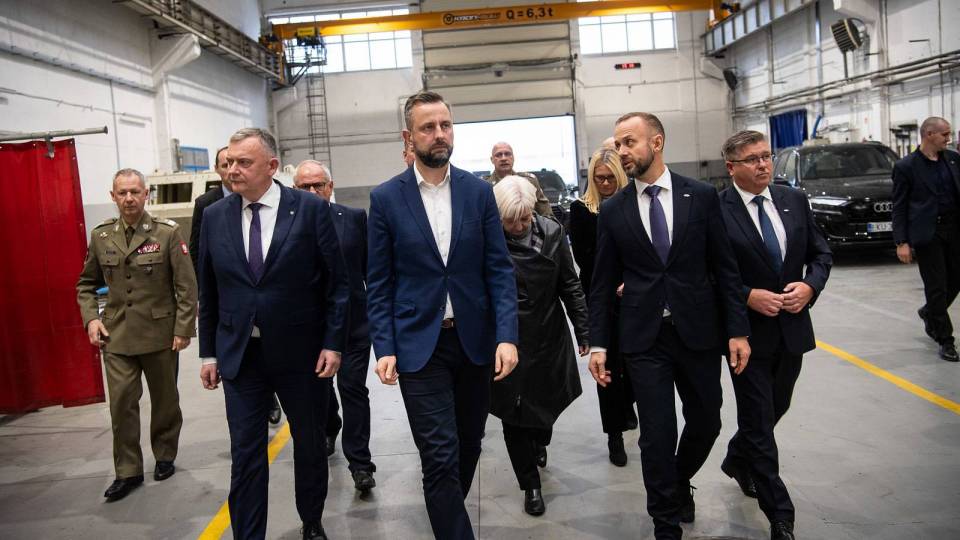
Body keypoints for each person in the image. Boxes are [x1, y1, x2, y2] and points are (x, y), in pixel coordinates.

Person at [588, 112, 751, 540]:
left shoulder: (702, 197)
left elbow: (725, 268)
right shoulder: (614, 209)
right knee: (656, 436)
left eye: (629, 142)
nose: (621, 151)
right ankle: (665, 524)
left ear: (656, 143)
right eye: (618, 144)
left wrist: (737, 330)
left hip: (698, 332)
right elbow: (601, 283)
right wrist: (598, 343)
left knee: (707, 421)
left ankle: (679, 480)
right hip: (644, 339)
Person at [367, 90, 519, 539]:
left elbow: (499, 270)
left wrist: (507, 335)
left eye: (445, 125)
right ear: (408, 137)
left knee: (468, 444)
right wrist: (384, 346)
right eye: (428, 127)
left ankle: (447, 509)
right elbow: (379, 281)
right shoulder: (386, 199)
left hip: (474, 343)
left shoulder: (478, 193)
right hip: (419, 346)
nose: (439, 134)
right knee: (438, 454)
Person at [197, 128, 349, 540]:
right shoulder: (214, 216)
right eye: (229, 162)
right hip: (241, 355)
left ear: (272, 166)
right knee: (246, 452)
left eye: (243, 162)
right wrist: (208, 353)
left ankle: (312, 520)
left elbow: (337, 285)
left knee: (310, 442)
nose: (233, 170)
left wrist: (333, 343)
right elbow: (209, 289)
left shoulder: (309, 209)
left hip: (302, 353)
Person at [718, 130, 832, 540]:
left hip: (791, 328)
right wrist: (747, 295)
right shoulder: (717, 210)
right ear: (731, 167)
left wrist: (810, 286)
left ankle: (737, 458)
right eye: (752, 159)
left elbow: (821, 253)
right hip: (745, 336)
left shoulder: (793, 200)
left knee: (774, 408)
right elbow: (707, 274)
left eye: (766, 156)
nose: (763, 164)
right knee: (759, 422)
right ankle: (780, 515)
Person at [76, 168, 197, 502]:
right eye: (122, 193)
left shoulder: (166, 233)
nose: (129, 199)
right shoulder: (102, 236)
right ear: (113, 196)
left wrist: (183, 329)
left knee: (165, 401)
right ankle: (128, 471)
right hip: (116, 336)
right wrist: (91, 319)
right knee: (122, 405)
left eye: (134, 192)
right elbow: (85, 284)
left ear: (146, 194)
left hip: (160, 334)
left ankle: (165, 454)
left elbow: (187, 286)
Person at [489, 176, 588, 517]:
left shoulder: (552, 232)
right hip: (507, 337)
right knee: (512, 414)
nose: (518, 226)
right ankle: (530, 484)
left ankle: (540, 438)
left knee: (546, 405)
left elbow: (569, 283)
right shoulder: (486, 239)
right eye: (510, 220)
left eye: (524, 218)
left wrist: (583, 329)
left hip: (548, 332)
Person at [293, 159, 377, 494]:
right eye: (305, 186)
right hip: (310, 327)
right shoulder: (286, 224)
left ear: (330, 186)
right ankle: (331, 425)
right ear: (295, 190)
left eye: (319, 185)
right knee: (321, 390)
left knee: (353, 389)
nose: (313, 191)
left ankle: (361, 464)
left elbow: (371, 269)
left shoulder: (354, 218)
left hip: (354, 324)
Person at [568, 148, 636, 467]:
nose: (605, 183)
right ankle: (614, 435)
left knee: (635, 364)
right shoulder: (581, 210)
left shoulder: (632, 205)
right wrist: (613, 282)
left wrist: (631, 280)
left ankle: (628, 403)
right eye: (599, 178)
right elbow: (585, 258)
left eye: (610, 178)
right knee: (606, 368)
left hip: (635, 296)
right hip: (598, 297)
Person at [892, 116, 960, 362]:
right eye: (945, 134)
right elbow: (899, 206)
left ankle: (930, 311)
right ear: (929, 134)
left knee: (956, 280)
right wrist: (902, 241)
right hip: (928, 234)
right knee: (936, 286)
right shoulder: (906, 167)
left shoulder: (953, 159)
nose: (948, 139)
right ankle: (945, 339)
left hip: (955, 229)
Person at [487, 141, 554, 218]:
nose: (503, 158)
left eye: (507, 154)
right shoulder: (485, 186)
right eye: (498, 155)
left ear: (513, 158)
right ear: (492, 160)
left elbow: (546, 214)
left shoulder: (530, 181)